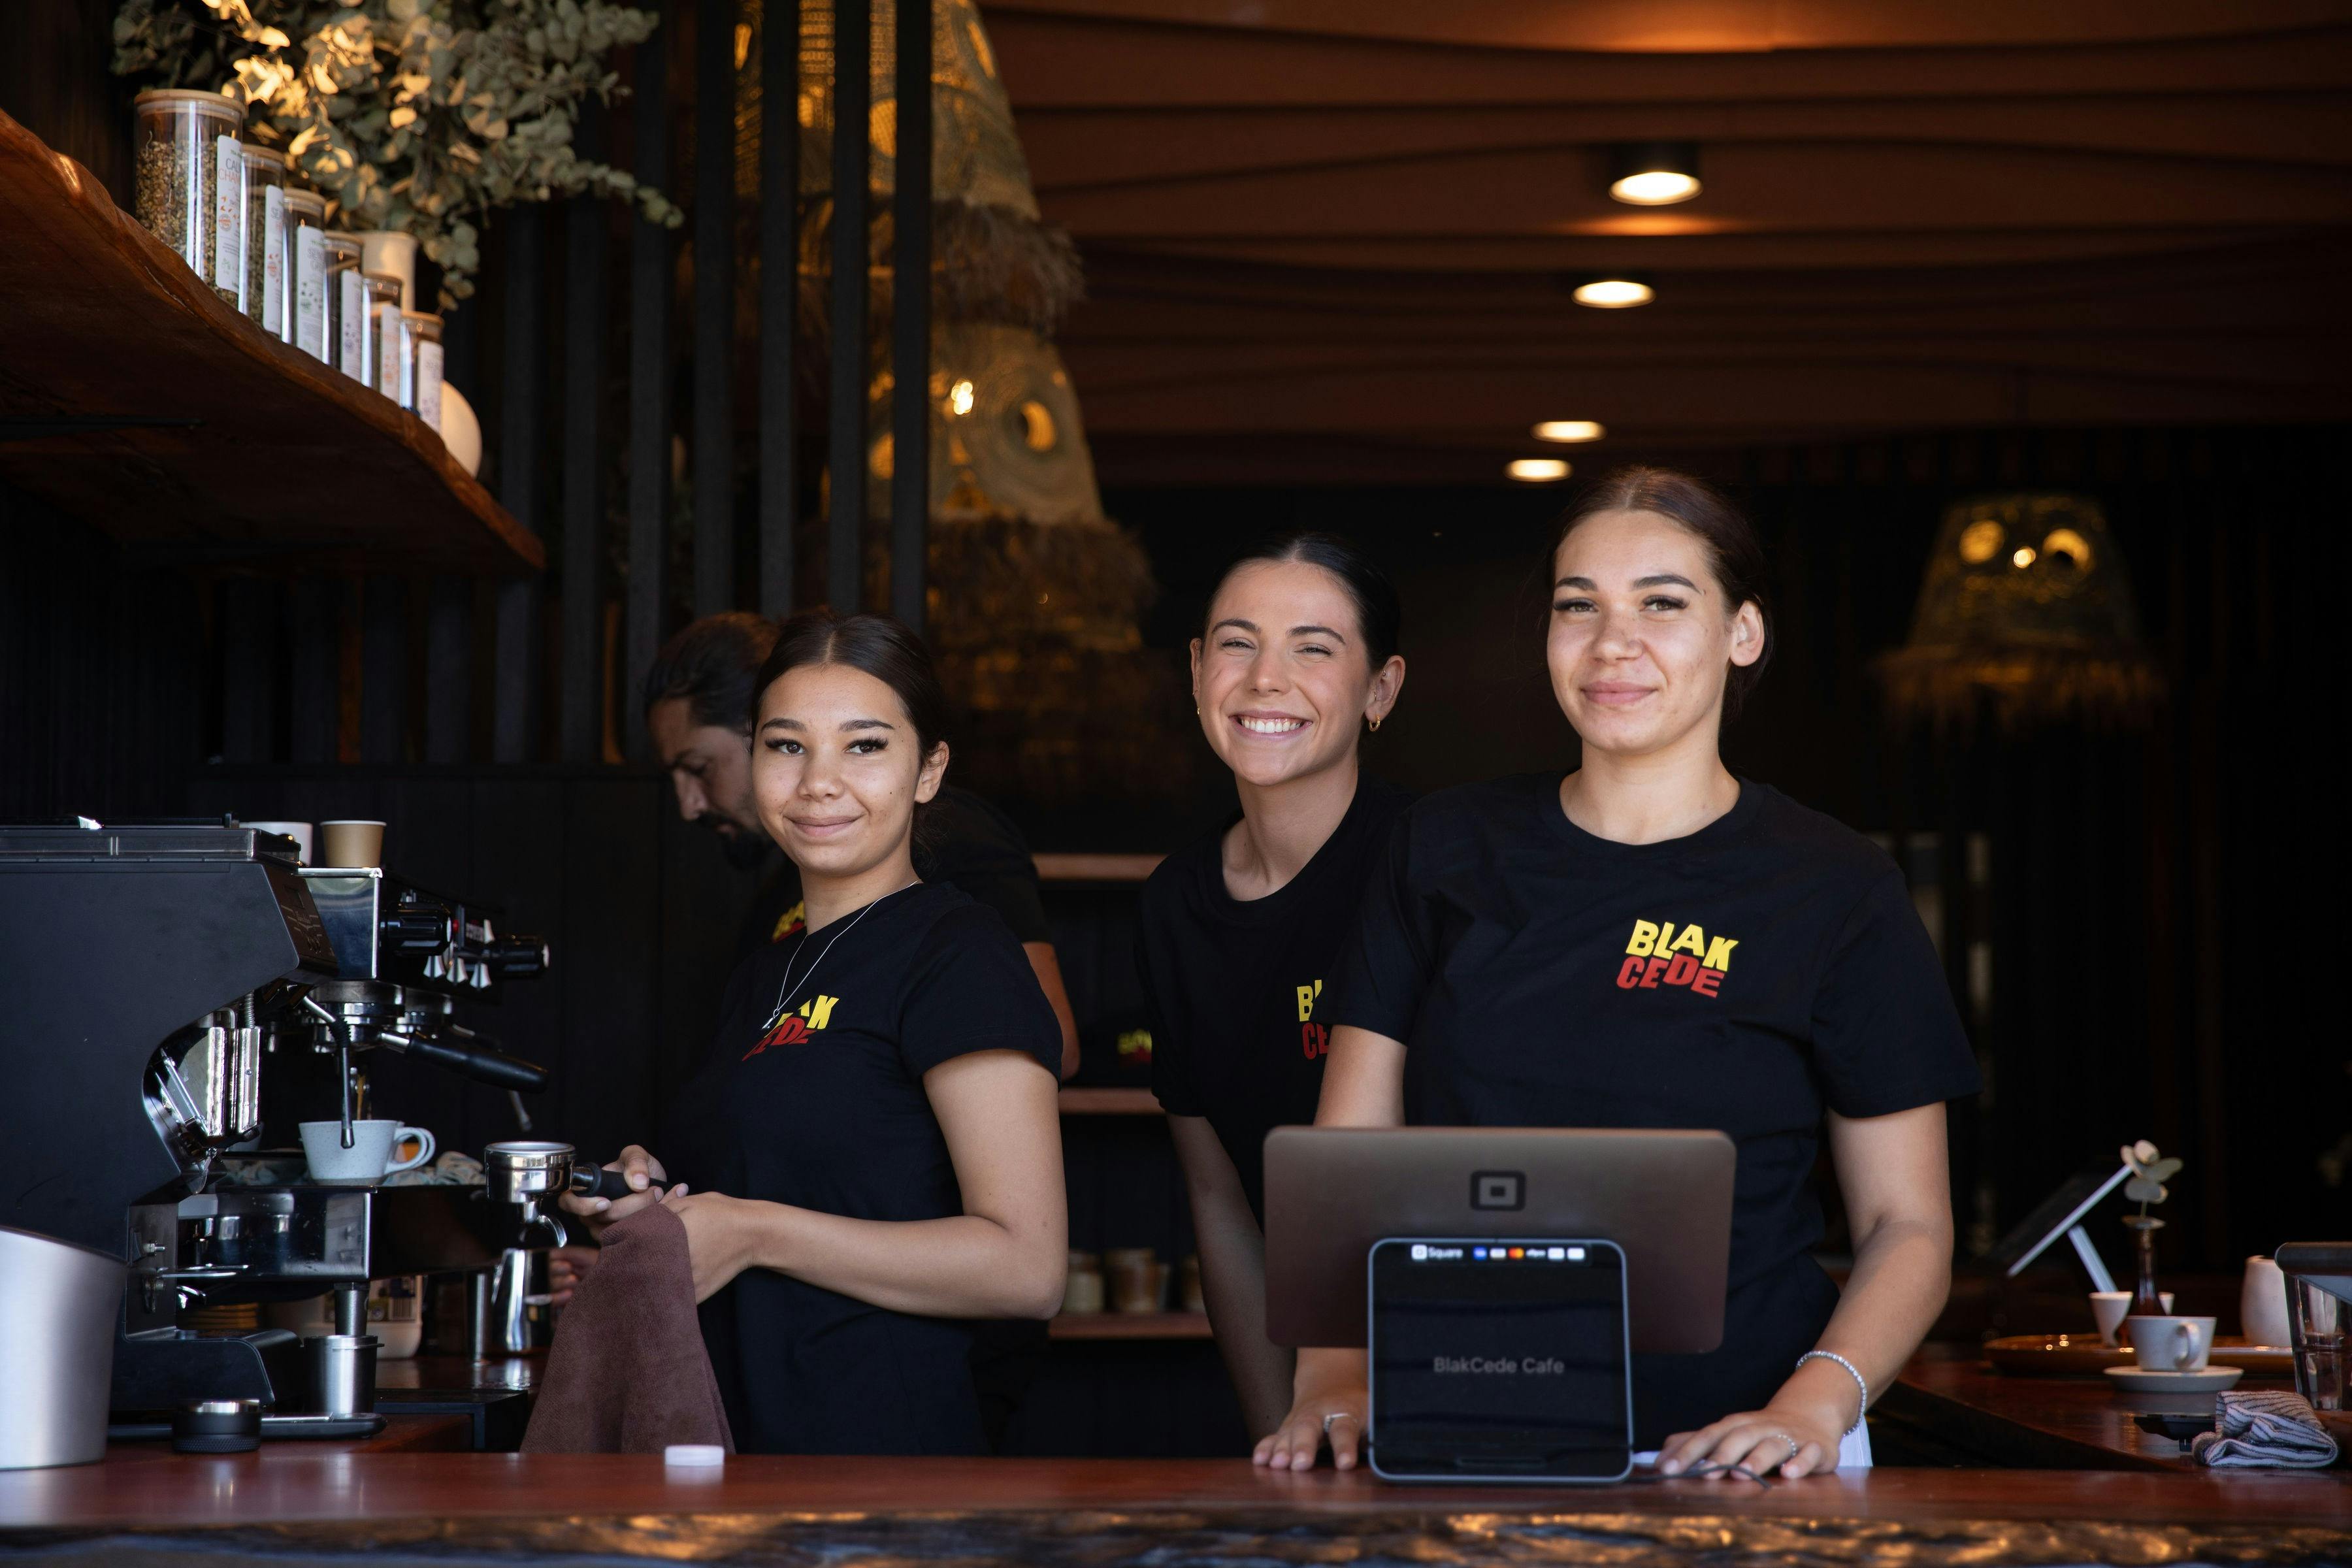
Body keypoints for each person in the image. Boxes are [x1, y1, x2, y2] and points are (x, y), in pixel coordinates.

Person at [1256, 468, 1980, 1478]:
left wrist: (1811, 1409)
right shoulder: (1441, 850)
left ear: (1743, 633)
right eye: (1578, 606)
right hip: (1461, 1431)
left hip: (1750, 1458)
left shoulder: (1835, 888)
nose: (1612, 644)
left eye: (1662, 604)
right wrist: (1333, 1375)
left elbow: (1909, 1226)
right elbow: (1351, 1162)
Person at [564, 612, 1068, 1454]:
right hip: (736, 1447)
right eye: (786, 746)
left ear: (929, 770)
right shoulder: (767, 971)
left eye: (864, 746)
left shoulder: (959, 954)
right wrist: (648, 1203)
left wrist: (753, 1232)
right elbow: (767, 1187)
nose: (818, 783)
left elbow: (1027, 1269)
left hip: (878, 1461)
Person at [1137, 534, 1409, 1439]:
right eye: (1237, 643)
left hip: (1467, 1358)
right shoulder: (1174, 906)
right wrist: (1281, 1431)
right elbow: (1225, 1204)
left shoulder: (1434, 868)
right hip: (1310, 1392)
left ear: (1381, 690)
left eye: (1313, 649)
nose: (1264, 679)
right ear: (1196, 671)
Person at [644, 611, 1079, 1075]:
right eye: (788, 745)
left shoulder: (956, 858)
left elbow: (1048, 1043)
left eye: (699, 768)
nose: (688, 806)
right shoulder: (771, 928)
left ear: (930, 769)